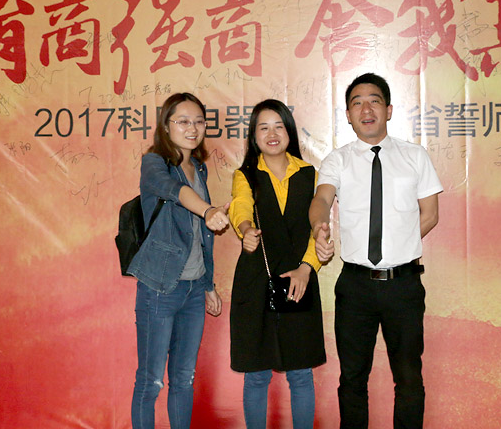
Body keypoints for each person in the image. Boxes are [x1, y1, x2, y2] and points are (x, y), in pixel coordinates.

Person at [310, 73, 442, 429]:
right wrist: (319, 226)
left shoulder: (415, 156)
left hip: (404, 285)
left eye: (374, 101)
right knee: (352, 379)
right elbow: (321, 199)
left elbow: (430, 214)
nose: (366, 110)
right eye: (357, 103)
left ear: (389, 110)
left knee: (409, 378)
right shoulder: (338, 160)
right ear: (348, 115)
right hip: (355, 287)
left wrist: (397, 244)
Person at [127, 92, 230, 429]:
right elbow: (174, 190)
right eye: (183, 121)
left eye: (199, 122)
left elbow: (202, 236)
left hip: (193, 289)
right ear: (166, 125)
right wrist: (209, 210)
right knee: (151, 380)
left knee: (184, 378)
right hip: (161, 285)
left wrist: (207, 284)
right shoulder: (154, 163)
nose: (193, 128)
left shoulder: (198, 166)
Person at [229, 99, 326, 429]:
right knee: (257, 376)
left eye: (278, 126)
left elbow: (318, 228)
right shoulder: (245, 175)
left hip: (298, 281)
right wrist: (245, 231)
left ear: (289, 131)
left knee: (300, 373)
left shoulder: (310, 174)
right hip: (256, 280)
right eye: (263, 127)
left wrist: (307, 267)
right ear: (253, 136)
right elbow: (240, 206)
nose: (272, 134)